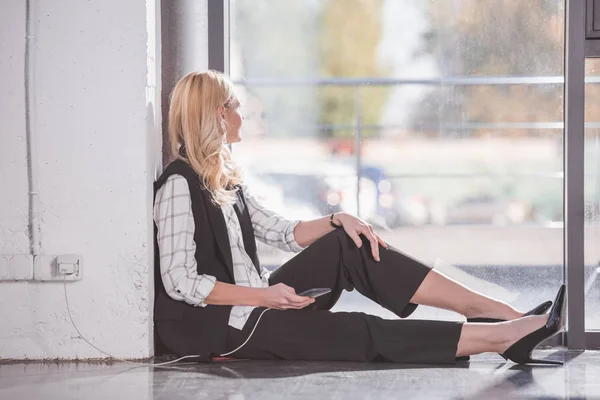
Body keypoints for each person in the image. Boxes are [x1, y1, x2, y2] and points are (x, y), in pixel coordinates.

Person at [153, 70, 565, 365]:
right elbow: (180, 281)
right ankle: (499, 337)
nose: (243, 114)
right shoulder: (178, 184)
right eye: (236, 106)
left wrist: (338, 219)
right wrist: (264, 297)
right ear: (219, 116)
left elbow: (281, 232)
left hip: (258, 303)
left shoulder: (224, 179)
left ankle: (488, 309)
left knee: (349, 243)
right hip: (227, 329)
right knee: (358, 330)